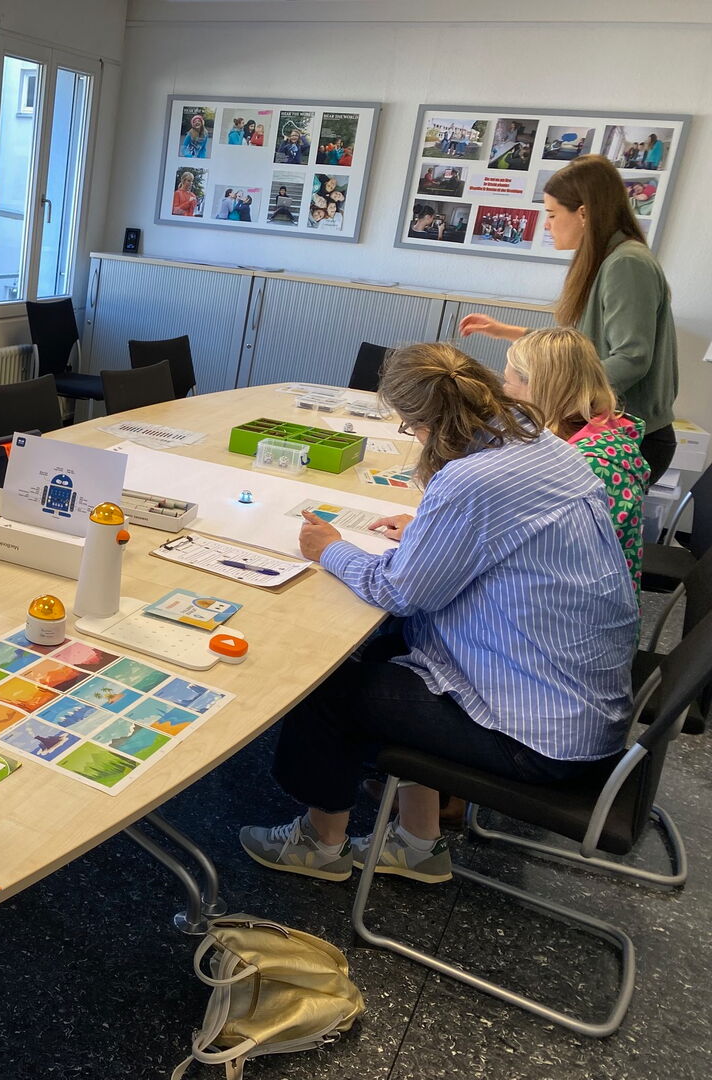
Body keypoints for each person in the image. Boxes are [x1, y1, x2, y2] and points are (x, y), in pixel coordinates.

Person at [239, 342, 637, 884]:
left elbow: (400, 591)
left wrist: (330, 548)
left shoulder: (472, 479)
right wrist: (433, 533)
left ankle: (319, 845)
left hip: (537, 738)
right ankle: (416, 843)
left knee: (327, 688)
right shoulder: (541, 443)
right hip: (581, 708)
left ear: (424, 425)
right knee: (395, 648)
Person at [459, 154, 678, 483]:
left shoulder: (626, 263)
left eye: (551, 214)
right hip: (605, 428)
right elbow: (578, 347)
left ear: (584, 213)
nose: (546, 225)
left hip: (631, 436)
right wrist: (508, 331)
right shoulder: (609, 259)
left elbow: (632, 357)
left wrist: (560, 391)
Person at [503, 327, 649, 585]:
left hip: (578, 601)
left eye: (507, 383)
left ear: (538, 387)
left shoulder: (593, 466)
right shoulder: (585, 433)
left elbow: (556, 555)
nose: (504, 392)